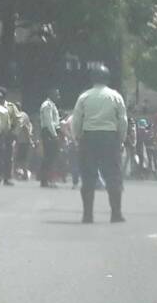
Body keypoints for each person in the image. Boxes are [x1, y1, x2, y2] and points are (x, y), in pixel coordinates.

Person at [72, 65, 127, 223]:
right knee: (113, 177)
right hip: (110, 138)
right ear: (107, 78)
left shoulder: (84, 97)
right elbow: (122, 120)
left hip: (88, 138)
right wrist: (121, 138)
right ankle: (116, 213)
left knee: (88, 177)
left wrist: (78, 137)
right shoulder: (115, 96)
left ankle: (87, 215)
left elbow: (77, 120)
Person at [39, 88, 61, 188]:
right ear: (51, 94)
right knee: (49, 157)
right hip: (49, 133)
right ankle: (45, 180)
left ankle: (47, 180)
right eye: (56, 94)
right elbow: (49, 122)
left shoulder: (52, 105)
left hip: (51, 132)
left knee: (51, 157)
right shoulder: (47, 105)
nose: (58, 96)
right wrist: (55, 135)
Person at [13, 104, 35, 181]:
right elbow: (29, 126)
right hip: (24, 141)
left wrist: (28, 139)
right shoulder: (24, 115)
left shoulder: (21, 115)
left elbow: (24, 127)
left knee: (19, 159)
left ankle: (21, 174)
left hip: (23, 141)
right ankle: (22, 174)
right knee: (22, 159)